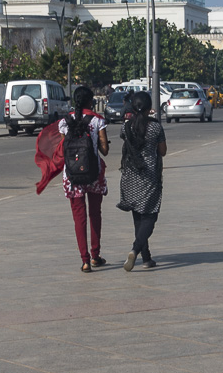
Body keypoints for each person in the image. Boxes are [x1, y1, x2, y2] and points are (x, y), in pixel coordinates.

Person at [58, 86, 110, 273]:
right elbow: (104, 150)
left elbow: (66, 148)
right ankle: (95, 255)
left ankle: (85, 260)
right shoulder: (98, 121)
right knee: (95, 214)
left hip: (72, 176)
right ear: (91, 101)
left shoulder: (64, 122)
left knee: (79, 218)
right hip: (93, 173)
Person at [118, 91, 166, 270]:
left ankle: (147, 258)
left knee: (138, 217)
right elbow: (162, 151)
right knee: (150, 216)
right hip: (149, 175)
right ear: (149, 108)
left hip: (130, 175)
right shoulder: (155, 128)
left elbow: (125, 139)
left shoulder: (126, 127)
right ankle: (135, 250)